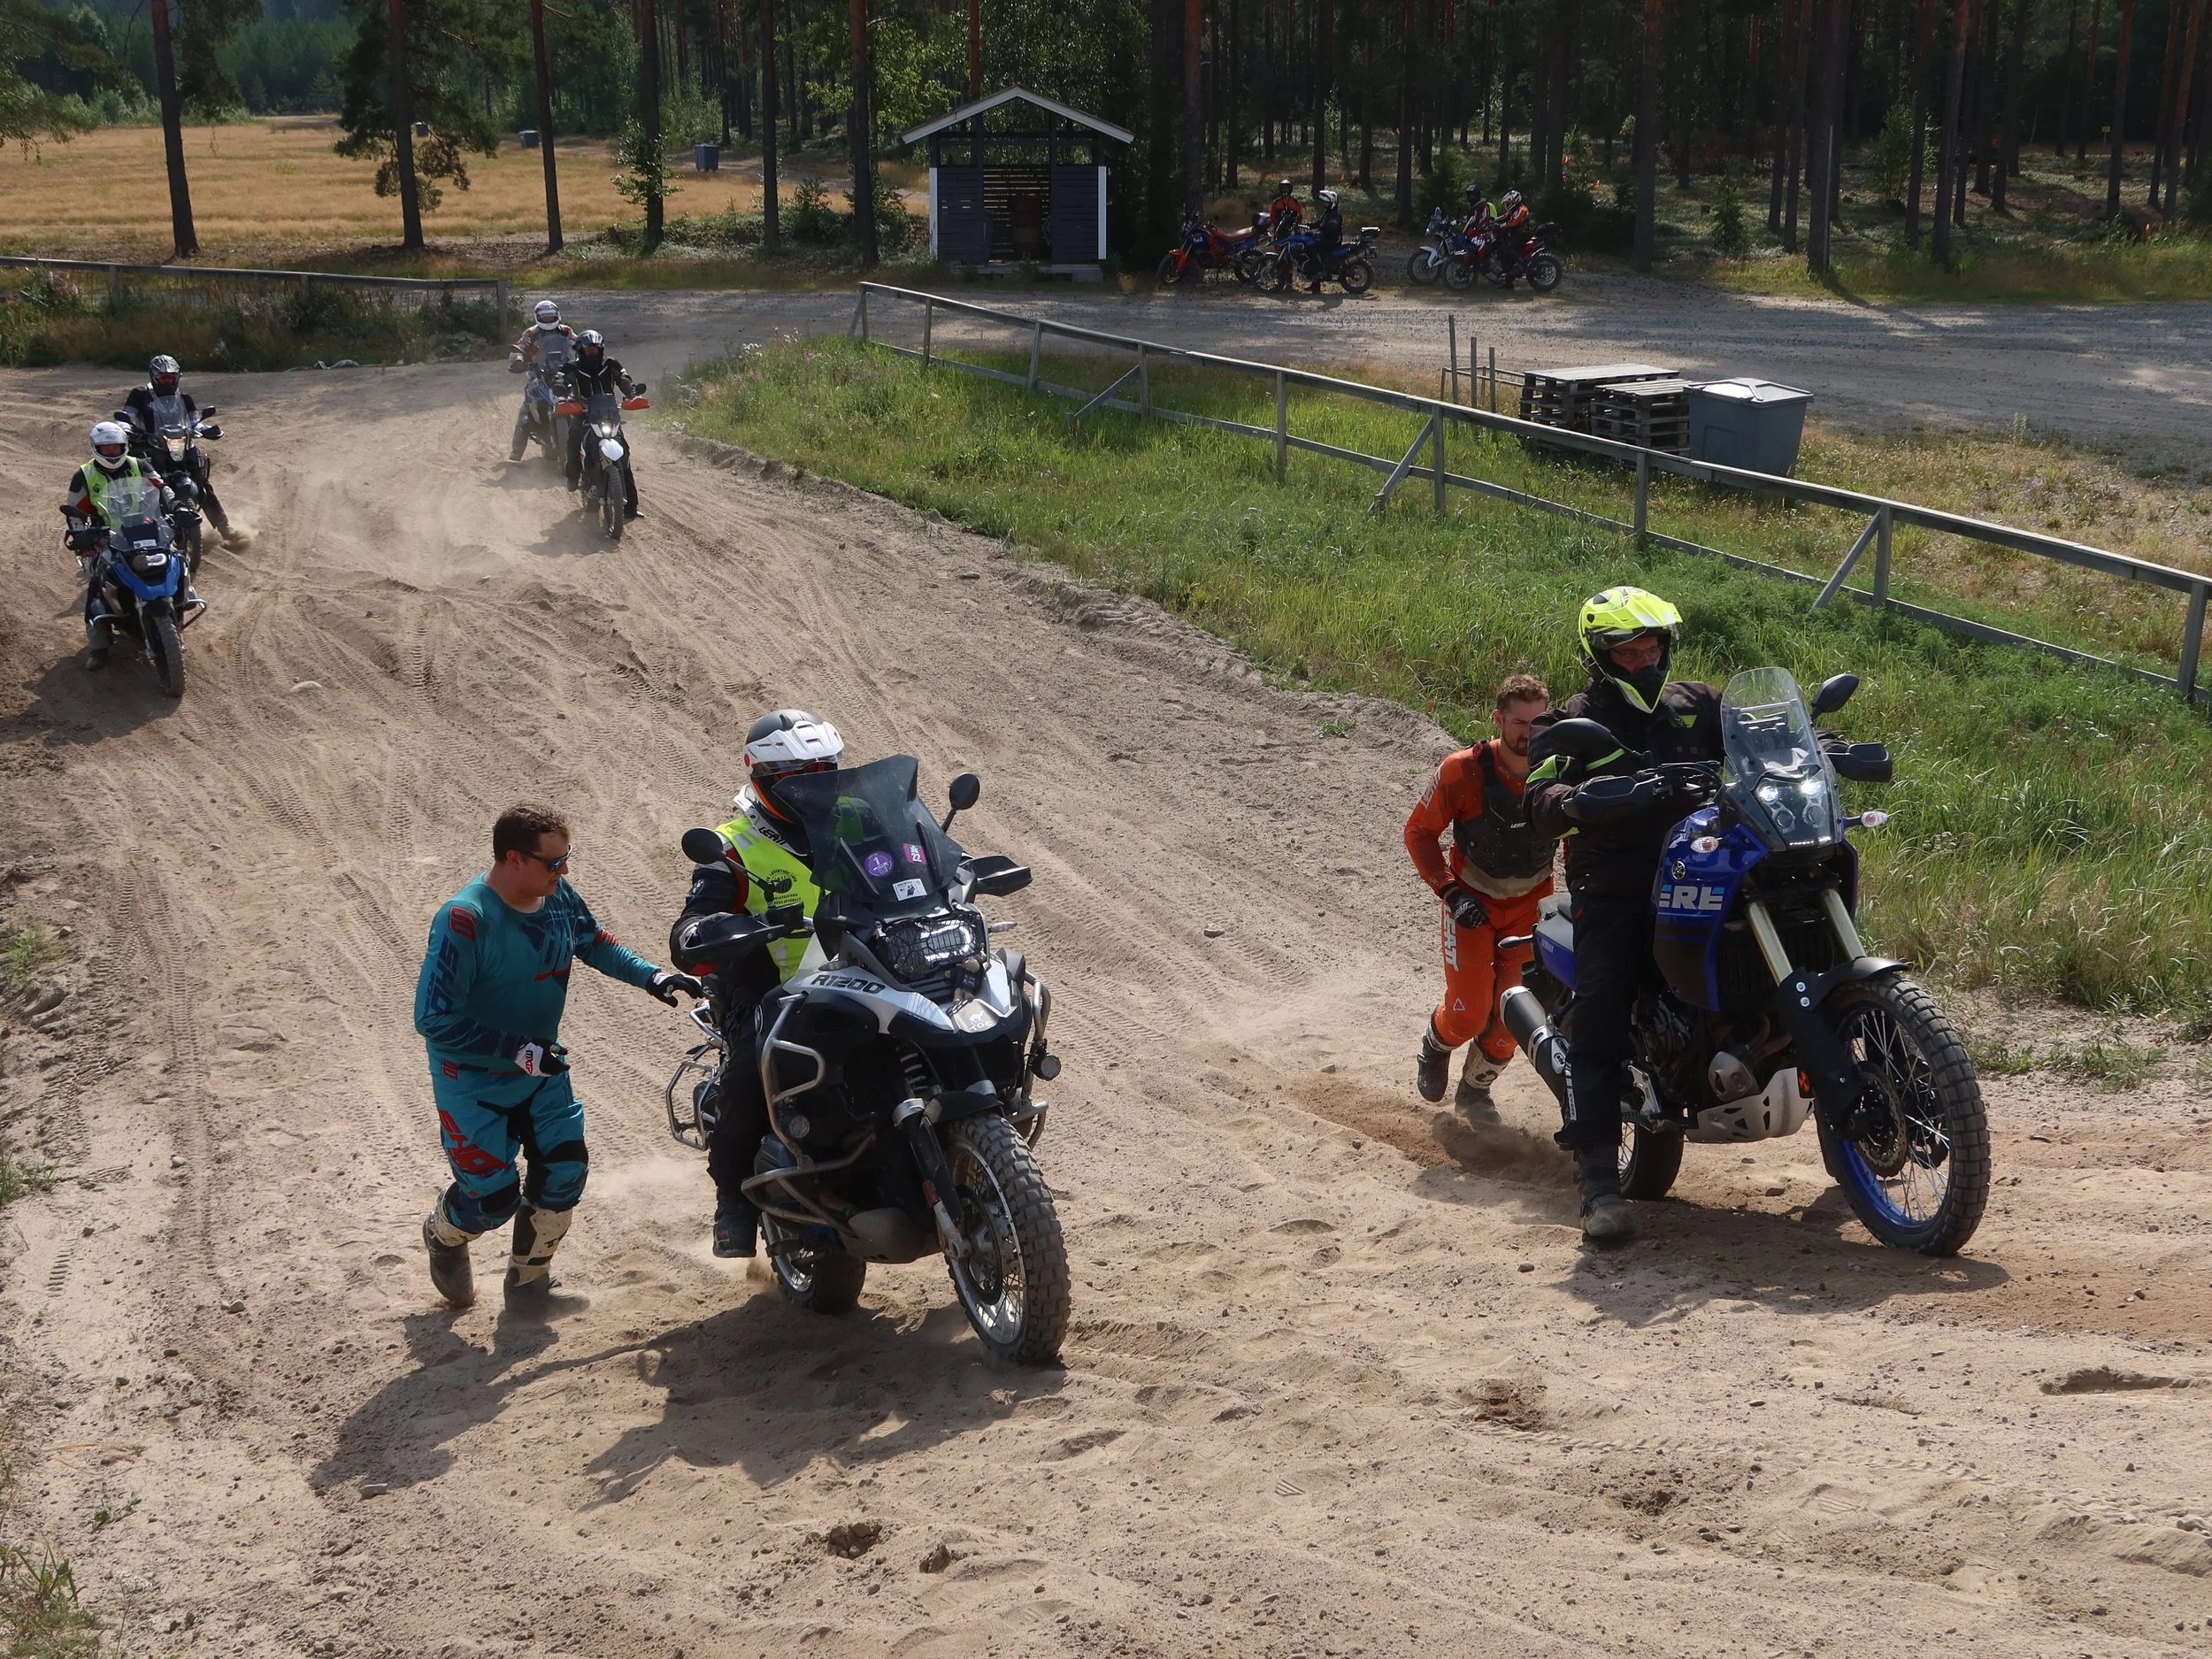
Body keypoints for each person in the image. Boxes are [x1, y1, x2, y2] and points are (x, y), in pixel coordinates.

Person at [415, 803, 702, 1308]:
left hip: (541, 1072)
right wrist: (518, 1050)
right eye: (553, 862)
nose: (564, 871)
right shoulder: (465, 920)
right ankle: (444, 1233)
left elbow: (592, 942)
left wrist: (653, 976)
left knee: (564, 1173)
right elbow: (433, 1018)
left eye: (567, 859)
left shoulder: (557, 895)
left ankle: (528, 1287)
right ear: (514, 859)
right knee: (491, 1200)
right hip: (475, 1085)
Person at [1525, 588, 1723, 1245]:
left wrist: (1820, 741)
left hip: (1702, 867)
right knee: (1604, 1002)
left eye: (1652, 647)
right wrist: (1578, 799)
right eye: (1628, 651)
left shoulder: (1698, 704)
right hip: (1617, 880)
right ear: (1601, 656)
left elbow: (1768, 732)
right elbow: (1542, 795)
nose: (1644, 660)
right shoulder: (1574, 719)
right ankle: (1600, 1182)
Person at [667, 710, 842, 1259]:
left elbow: (921, 856)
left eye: (827, 771)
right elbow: (691, 925)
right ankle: (733, 1199)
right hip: (773, 990)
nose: (818, 786)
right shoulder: (731, 847)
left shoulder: (861, 820)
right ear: (763, 781)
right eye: (801, 777)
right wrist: (712, 930)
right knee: (755, 1061)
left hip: (869, 970)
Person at [1403, 674, 1557, 1127]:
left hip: (1531, 907)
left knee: (1517, 1017)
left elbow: (1579, 837)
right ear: (1498, 720)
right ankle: (1436, 1042)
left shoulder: (1561, 772)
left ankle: (1475, 1091)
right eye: (1518, 722)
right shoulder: (1462, 770)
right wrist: (1449, 891)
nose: (1529, 732)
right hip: (1471, 904)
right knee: (1468, 1013)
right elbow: (1419, 832)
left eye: (1539, 721)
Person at [60, 420, 189, 665]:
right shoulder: (84, 475)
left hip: (149, 528)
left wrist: (177, 506)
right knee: (97, 587)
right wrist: (81, 536)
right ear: (96, 448)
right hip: (108, 538)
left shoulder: (140, 464)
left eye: (116, 447)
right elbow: (74, 511)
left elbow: (162, 488)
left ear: (125, 446)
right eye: (107, 449)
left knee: (177, 563)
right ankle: (99, 647)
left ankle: (181, 605)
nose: (112, 452)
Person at [122, 354, 231, 541]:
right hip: (148, 444)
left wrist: (208, 430)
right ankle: (134, 529)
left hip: (180, 443)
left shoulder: (185, 399)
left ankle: (225, 528)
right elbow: (127, 416)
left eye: (171, 378)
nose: (167, 382)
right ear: (154, 378)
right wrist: (126, 429)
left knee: (202, 483)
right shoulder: (139, 395)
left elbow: (195, 422)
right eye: (164, 378)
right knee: (138, 484)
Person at [557, 330, 641, 517]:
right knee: (573, 440)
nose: (593, 353)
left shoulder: (611, 364)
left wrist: (631, 393)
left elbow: (624, 379)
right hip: (584, 413)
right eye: (589, 351)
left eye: (595, 350)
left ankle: (632, 506)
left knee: (624, 455)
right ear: (581, 351)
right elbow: (561, 377)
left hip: (609, 414)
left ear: (601, 349)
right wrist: (560, 386)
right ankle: (572, 477)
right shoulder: (572, 367)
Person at [508, 300, 578, 462]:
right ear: (537, 317)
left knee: (582, 396)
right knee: (527, 404)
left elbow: (578, 343)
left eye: (550, 316)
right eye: (544, 317)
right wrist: (518, 359)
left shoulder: (566, 331)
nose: (547, 320)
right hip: (538, 372)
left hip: (563, 371)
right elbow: (520, 346)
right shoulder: (531, 333)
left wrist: (584, 354)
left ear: (557, 315)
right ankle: (517, 450)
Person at [1303, 188, 1343, 292]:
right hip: (1327, 239)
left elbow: (1328, 230)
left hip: (1332, 241)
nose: (1324, 204)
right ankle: (1315, 284)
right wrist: (1305, 226)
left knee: (1311, 247)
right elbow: (1318, 224)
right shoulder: (1328, 213)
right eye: (1324, 202)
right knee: (1309, 245)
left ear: (1332, 203)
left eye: (1327, 203)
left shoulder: (1335, 216)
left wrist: (1315, 234)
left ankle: (1320, 270)